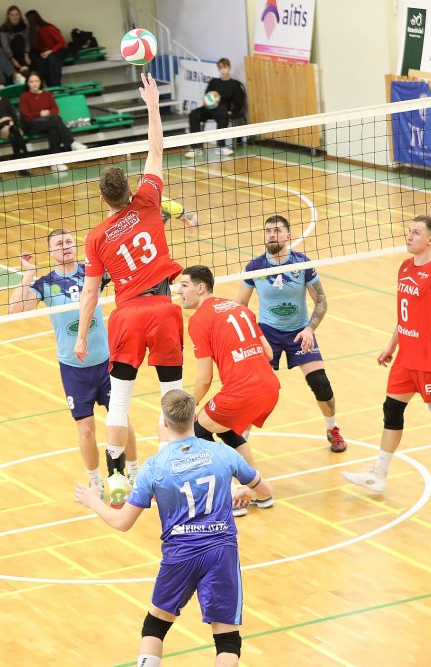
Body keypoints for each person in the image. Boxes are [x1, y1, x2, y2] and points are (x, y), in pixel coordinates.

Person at [74, 389, 272, 667]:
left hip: (180, 554)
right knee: (227, 641)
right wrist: (244, 491)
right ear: (194, 418)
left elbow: (122, 522)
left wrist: (93, 501)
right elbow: (265, 491)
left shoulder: (154, 468)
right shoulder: (223, 453)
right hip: (221, 552)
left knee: (155, 627)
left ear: (165, 423)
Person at [74, 73, 184, 479]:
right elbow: (156, 149)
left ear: (102, 197)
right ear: (128, 188)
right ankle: (176, 463)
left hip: (127, 317)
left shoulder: (96, 238)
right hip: (163, 308)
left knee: (119, 402)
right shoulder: (149, 199)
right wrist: (152, 105)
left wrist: (82, 336)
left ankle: (117, 475)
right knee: (172, 395)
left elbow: (89, 294)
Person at [344, 215, 431, 497]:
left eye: (416, 233)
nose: (409, 236)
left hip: (430, 359)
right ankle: (378, 474)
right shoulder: (404, 267)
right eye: (409, 231)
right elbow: (407, 314)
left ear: (430, 240)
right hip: (406, 357)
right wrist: (392, 344)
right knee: (391, 410)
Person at [8, 229, 138, 498]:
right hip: (73, 369)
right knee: (86, 430)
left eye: (68, 242)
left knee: (121, 419)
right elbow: (15, 310)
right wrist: (29, 273)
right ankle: (95, 482)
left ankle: (135, 473)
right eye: (58, 244)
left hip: (105, 363)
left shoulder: (93, 273)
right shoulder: (45, 284)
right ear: (51, 252)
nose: (65, 246)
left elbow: (128, 271)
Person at [236, 215, 348, 453]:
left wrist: (309, 329)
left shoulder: (302, 264)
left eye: (277, 231)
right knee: (255, 388)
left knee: (320, 383)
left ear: (288, 236)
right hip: (268, 333)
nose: (272, 235)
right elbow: (240, 306)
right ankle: (241, 438)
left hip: (299, 331)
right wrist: (254, 334)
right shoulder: (255, 267)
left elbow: (321, 301)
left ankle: (332, 428)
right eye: (268, 231)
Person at [177, 265, 279, 515]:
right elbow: (268, 353)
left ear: (201, 288)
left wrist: (188, 407)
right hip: (269, 387)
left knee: (196, 431)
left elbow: (204, 379)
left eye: (184, 285)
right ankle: (260, 492)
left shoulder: (199, 321)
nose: (178, 290)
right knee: (227, 429)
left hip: (242, 391)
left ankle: (232, 496)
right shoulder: (239, 307)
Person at [18, 72, 84, 171]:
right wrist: (40, 114)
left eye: (36, 81)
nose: (34, 84)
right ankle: (71, 142)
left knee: (53, 130)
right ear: (27, 83)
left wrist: (48, 112)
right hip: (32, 125)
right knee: (54, 119)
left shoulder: (47, 94)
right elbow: (26, 115)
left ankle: (55, 162)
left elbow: (55, 110)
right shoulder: (24, 96)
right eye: (31, 81)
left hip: (48, 123)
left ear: (40, 82)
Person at [184, 58, 246, 158]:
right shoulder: (214, 82)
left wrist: (232, 112)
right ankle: (196, 148)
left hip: (222, 109)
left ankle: (221, 146)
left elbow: (239, 102)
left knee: (223, 112)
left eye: (225, 67)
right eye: (220, 68)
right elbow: (207, 95)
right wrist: (211, 96)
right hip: (209, 108)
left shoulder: (235, 84)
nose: (223, 70)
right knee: (193, 114)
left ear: (229, 68)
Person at [0, 78, 29, 169]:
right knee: (14, 130)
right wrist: (5, 122)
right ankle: (26, 156)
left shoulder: (5, 100)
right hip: (0, 131)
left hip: (12, 127)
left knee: (13, 134)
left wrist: (10, 122)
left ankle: (21, 166)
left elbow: (14, 117)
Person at [24, 10, 67, 87]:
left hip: (59, 50)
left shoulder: (49, 28)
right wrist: (43, 52)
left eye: (26, 20)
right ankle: (49, 85)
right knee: (41, 63)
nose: (25, 22)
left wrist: (50, 51)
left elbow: (61, 42)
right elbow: (39, 46)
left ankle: (56, 85)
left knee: (52, 59)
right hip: (47, 52)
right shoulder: (33, 32)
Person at [0, 5, 30, 77]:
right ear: (8, 16)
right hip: (12, 55)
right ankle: (24, 68)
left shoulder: (24, 26)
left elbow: (27, 41)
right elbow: (5, 46)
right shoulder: (3, 28)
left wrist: (26, 53)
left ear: (20, 15)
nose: (14, 17)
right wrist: (12, 59)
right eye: (12, 15)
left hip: (24, 53)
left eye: (16, 14)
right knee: (18, 38)